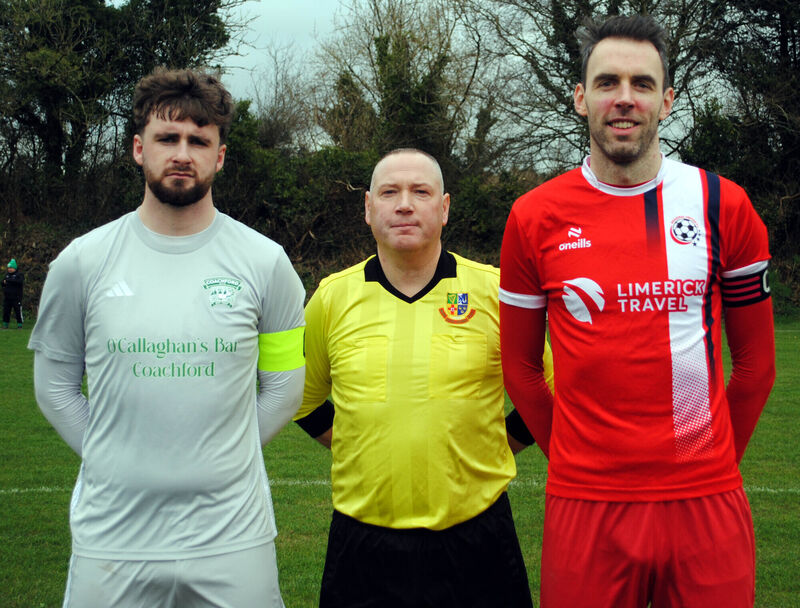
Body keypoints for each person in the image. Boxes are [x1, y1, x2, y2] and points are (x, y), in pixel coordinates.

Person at [499, 14, 775, 608]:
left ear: (667, 100)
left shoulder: (722, 204)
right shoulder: (533, 216)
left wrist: (712, 462)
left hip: (705, 503)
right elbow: (520, 368)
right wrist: (576, 461)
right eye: (607, 82)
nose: (624, 99)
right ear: (581, 97)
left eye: (642, 84)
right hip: (585, 505)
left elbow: (755, 365)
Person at [28, 68, 305, 608]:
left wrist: (222, 457)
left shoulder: (267, 263)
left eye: (199, 141)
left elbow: (283, 390)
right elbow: (55, 387)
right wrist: (113, 456)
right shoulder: (81, 262)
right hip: (113, 538)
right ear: (139, 149)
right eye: (167, 138)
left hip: (232, 538)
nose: (183, 153)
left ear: (219, 156)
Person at [295, 148, 554, 608]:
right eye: (389, 192)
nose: (405, 204)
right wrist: (356, 442)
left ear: (445, 207)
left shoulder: (494, 292)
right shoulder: (332, 297)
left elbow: (547, 389)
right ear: (369, 209)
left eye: (421, 191)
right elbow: (302, 397)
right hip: (363, 543)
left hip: (477, 538)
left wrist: (493, 445)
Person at [2, 258, 24, 329]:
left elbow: (19, 282)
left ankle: (20, 325)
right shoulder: (7, 275)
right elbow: (3, 282)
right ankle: (5, 325)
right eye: (9, 268)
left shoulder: (19, 275)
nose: (9, 269)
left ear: (15, 268)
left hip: (16, 297)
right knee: (6, 311)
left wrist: (8, 281)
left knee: (17, 311)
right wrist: (3, 282)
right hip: (7, 297)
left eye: (11, 268)